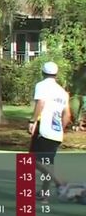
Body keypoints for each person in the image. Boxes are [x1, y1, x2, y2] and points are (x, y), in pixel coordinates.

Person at [27, 61, 72, 203]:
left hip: (44, 129)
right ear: (56, 75)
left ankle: (60, 183)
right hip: (56, 132)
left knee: (32, 160)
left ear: (42, 72)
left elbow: (41, 103)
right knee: (48, 163)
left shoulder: (41, 86)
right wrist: (61, 129)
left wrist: (32, 121)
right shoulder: (62, 92)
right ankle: (44, 196)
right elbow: (67, 115)